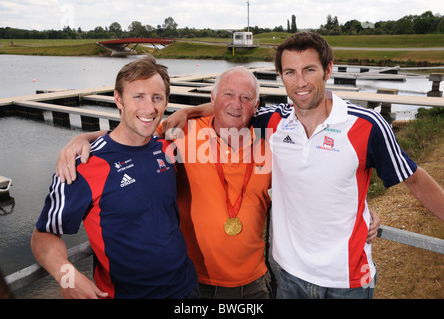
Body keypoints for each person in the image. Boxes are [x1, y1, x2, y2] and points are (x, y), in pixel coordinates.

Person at [157, 32, 443, 299]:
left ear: (328, 70)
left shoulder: (366, 125)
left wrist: (366, 211)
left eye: (309, 69)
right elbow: (233, 109)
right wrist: (187, 110)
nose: (300, 82)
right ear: (281, 76)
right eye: (290, 72)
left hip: (348, 279)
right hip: (288, 275)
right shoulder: (274, 121)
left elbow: (415, 179)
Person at [55, 66, 380, 299]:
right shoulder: (182, 134)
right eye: (227, 95)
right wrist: (84, 138)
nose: (236, 104)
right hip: (193, 283)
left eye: (245, 98)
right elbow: (131, 133)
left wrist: (361, 211)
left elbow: (315, 178)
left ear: (257, 105)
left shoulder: (274, 139)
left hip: (255, 282)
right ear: (213, 97)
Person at [30, 56, 198, 299]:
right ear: (118, 99)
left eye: (157, 98)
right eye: (138, 96)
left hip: (186, 287)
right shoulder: (82, 166)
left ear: (166, 102)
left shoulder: (166, 146)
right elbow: (43, 235)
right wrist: (67, 276)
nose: (149, 108)